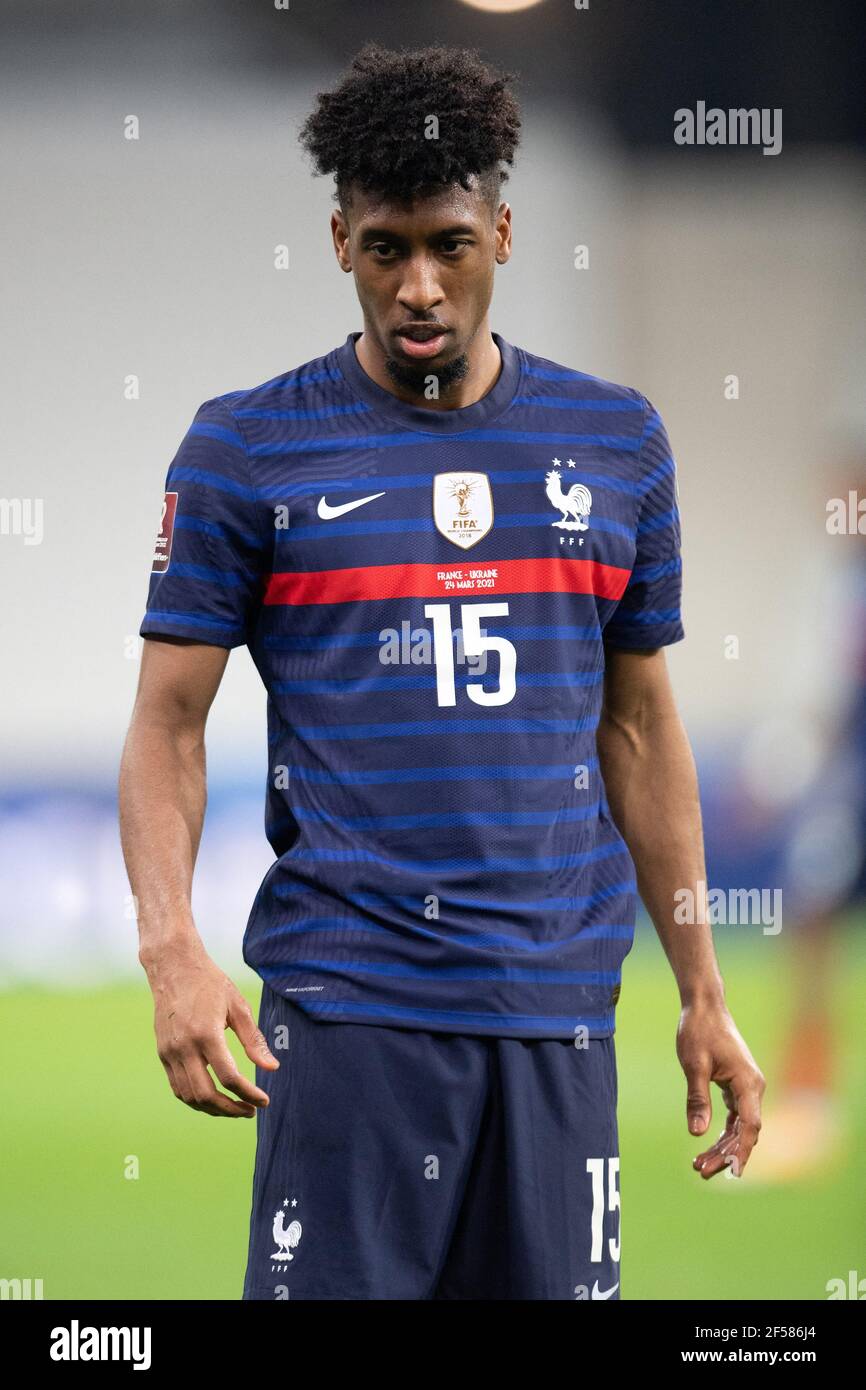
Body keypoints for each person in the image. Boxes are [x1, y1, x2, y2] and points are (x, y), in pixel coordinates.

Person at [119, 43, 764, 1301]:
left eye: (449, 245)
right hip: (352, 1011)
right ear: (338, 242)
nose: (418, 285)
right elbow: (167, 726)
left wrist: (699, 986)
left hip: (558, 1018)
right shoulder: (246, 447)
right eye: (385, 247)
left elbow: (636, 728)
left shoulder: (616, 438)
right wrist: (170, 950)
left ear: (505, 232)